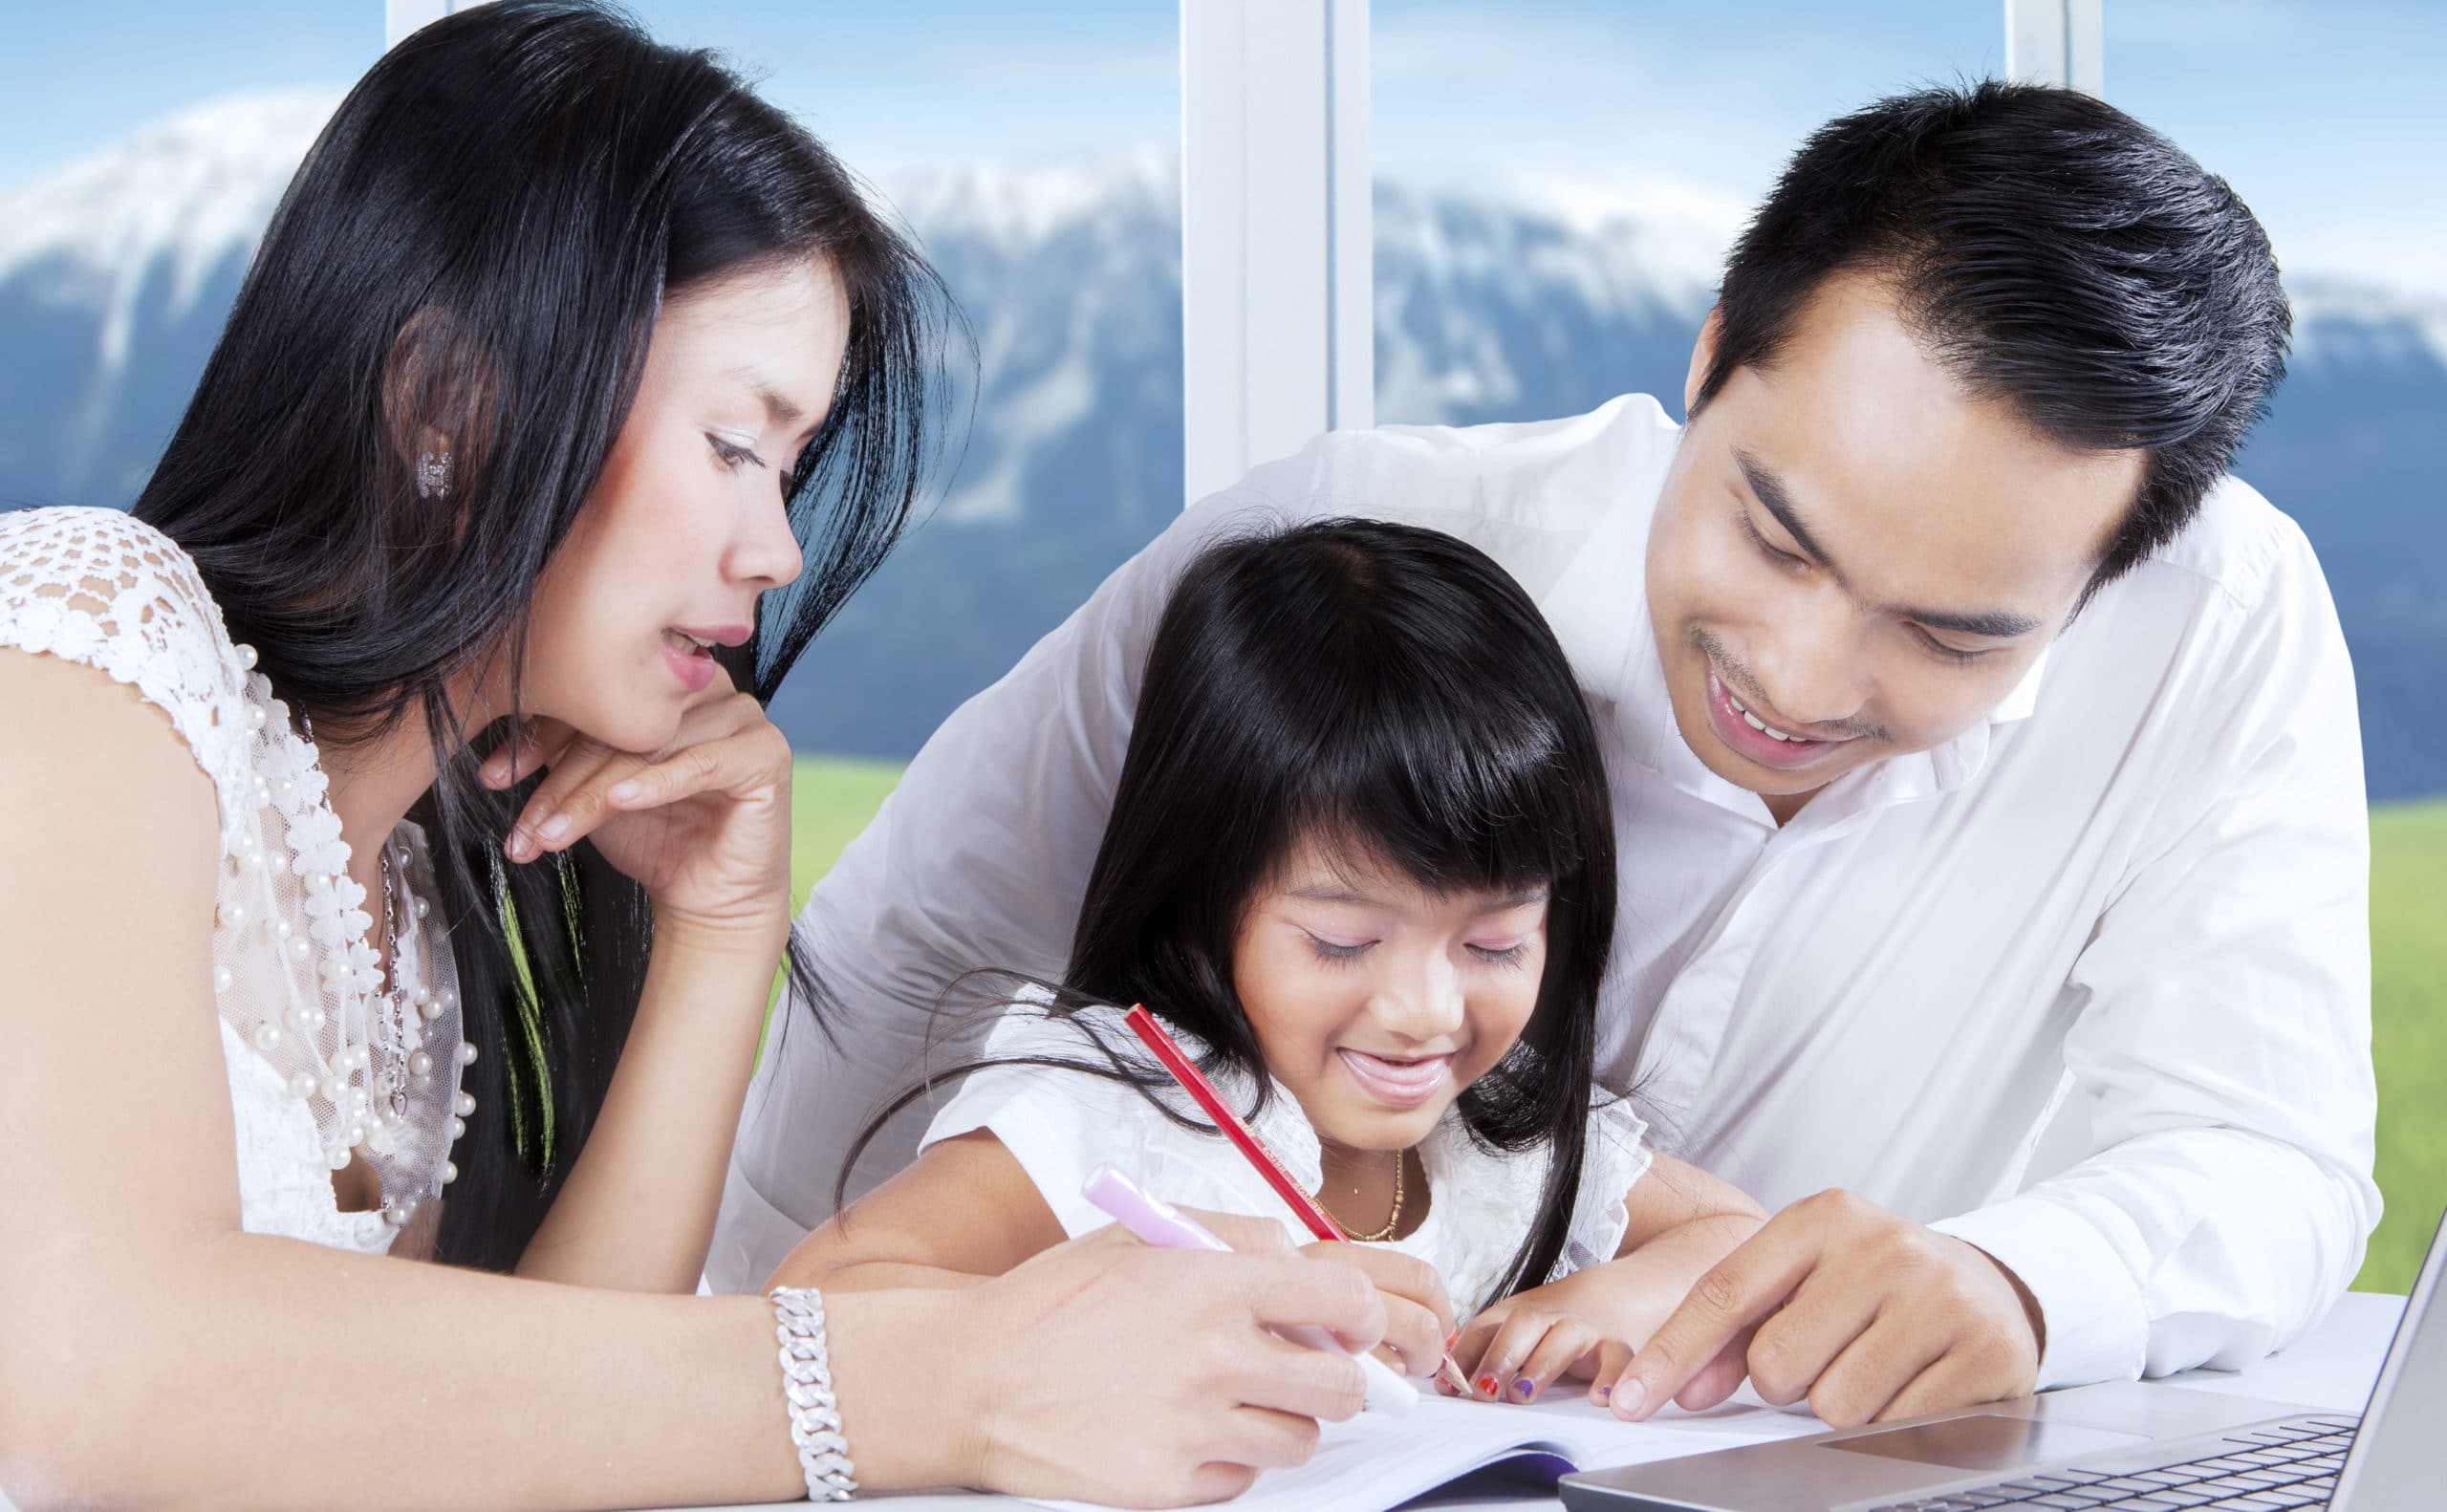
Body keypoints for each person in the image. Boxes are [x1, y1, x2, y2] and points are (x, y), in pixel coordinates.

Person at [717, 80, 2379, 1431]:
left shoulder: (2215, 625)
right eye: (1774, 537)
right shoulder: (1336, 564)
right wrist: (777, 1411)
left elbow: (2270, 1154)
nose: (1799, 679)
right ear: (1713, 354)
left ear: (2105, 578)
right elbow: (920, 946)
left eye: (1949, 636)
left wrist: (2019, 1281)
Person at [0, 6, 1412, 1508]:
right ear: (450, 407)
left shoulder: (408, 914)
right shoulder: (85, 636)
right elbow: (89, 1377)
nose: (778, 549)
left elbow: (518, 1431)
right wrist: (960, 1376)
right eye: (737, 445)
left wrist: (720, 938)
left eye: (790, 470)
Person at [771, 520, 1765, 1409]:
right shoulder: (1112, 1110)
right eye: (1343, 942)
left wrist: (1614, 1296)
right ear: (1199, 906)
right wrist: (1148, 1319)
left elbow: (1738, 1235)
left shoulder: (1496, 1129)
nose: (1426, 1011)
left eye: (1495, 943)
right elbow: (807, 1306)